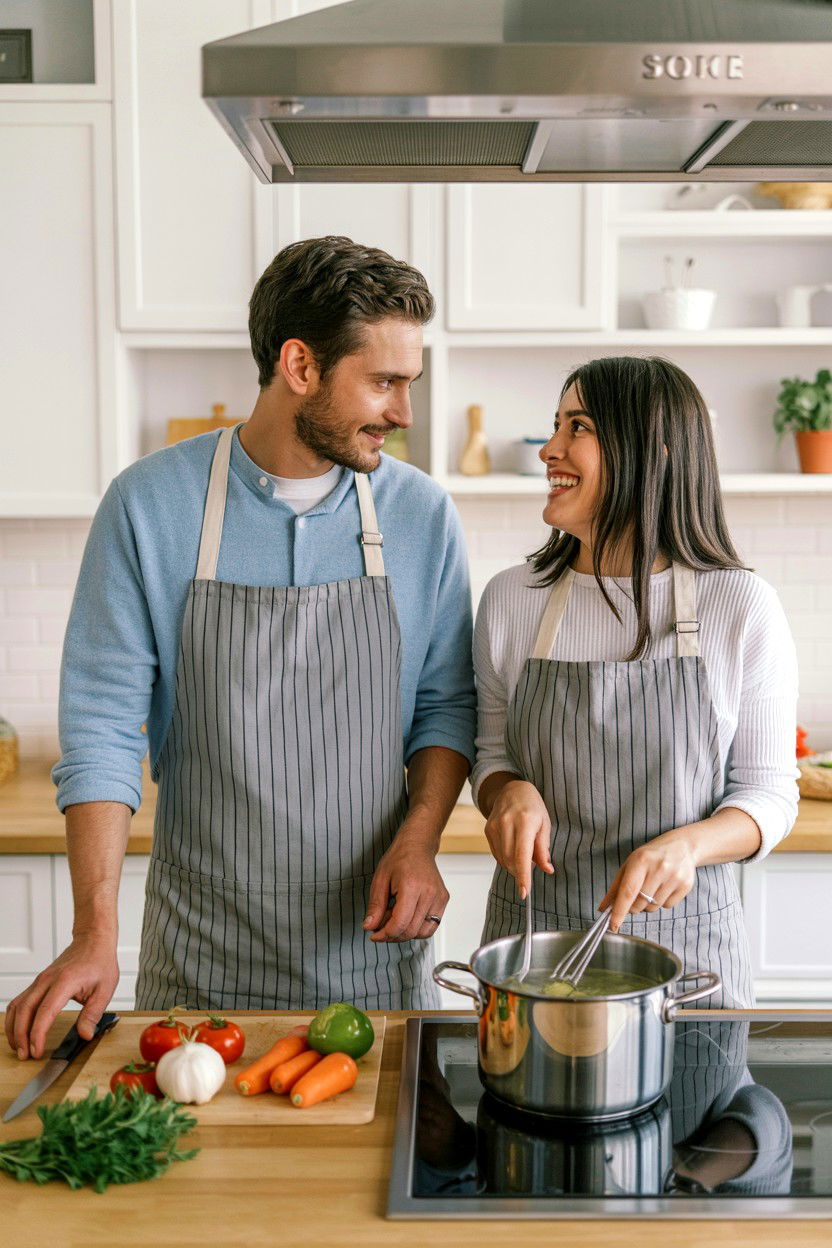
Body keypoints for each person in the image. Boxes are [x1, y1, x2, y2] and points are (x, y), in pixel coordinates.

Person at [6, 236, 476, 1059]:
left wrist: (420, 838)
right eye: (384, 381)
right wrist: (94, 931)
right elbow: (104, 728)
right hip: (203, 958)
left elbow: (444, 707)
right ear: (300, 366)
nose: (403, 413)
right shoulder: (150, 504)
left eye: (410, 384)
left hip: (366, 952)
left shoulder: (420, 514)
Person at [472, 355, 798, 1008]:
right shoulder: (513, 600)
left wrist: (693, 845)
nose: (550, 450)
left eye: (577, 427)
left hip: (689, 969)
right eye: (554, 425)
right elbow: (493, 755)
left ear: (648, 453)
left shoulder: (738, 605)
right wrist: (506, 793)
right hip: (535, 954)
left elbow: (768, 796)